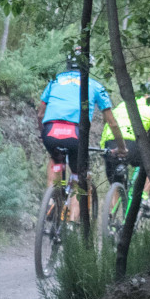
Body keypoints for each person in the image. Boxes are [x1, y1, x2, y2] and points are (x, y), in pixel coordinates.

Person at [37, 53, 128, 201]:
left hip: (51, 130)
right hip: (75, 133)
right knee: (79, 176)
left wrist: (43, 134)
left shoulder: (55, 81)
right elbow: (112, 123)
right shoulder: (96, 86)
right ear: (88, 67)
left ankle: (52, 199)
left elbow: (40, 115)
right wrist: (121, 147)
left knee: (55, 160)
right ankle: (73, 220)